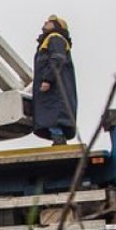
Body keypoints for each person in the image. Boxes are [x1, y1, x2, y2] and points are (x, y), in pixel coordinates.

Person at [32, 14, 78, 145]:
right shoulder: (50, 40)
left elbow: (57, 58)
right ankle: (57, 137)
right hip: (55, 88)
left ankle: (58, 138)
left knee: (53, 114)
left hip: (55, 90)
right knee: (52, 115)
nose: (46, 22)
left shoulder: (55, 38)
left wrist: (48, 79)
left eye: (50, 21)